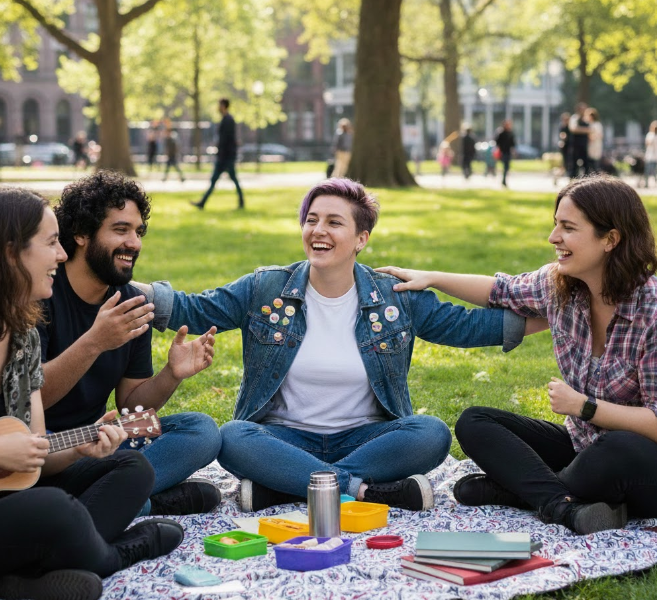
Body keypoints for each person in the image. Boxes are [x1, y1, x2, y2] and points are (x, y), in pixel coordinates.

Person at [139, 178, 531, 514]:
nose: (318, 231)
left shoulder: (394, 296)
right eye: (311, 220)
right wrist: (119, 283)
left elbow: (468, 326)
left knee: (431, 433)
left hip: (366, 438)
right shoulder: (265, 287)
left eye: (333, 222)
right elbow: (194, 308)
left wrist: (559, 312)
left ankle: (283, 485)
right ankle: (362, 491)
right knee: (234, 438)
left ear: (361, 238)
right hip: (282, 437)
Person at [377, 175, 657, 535]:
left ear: (610, 239)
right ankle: (560, 502)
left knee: (617, 449)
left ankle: (521, 491)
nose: (554, 238)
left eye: (568, 228)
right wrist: (431, 277)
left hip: (639, 464)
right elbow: (500, 290)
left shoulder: (651, 311)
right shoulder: (561, 286)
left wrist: (585, 407)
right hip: (582, 446)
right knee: (475, 421)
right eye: (556, 225)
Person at [0, 188, 183, 600]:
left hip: (21, 494)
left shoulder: (24, 336)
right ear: (12, 252)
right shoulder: (50, 307)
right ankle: (111, 557)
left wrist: (81, 448)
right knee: (53, 510)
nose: (61, 254)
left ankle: (23, 579)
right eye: (51, 242)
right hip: (31, 505)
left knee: (132, 467)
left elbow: (36, 459)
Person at [38, 170, 222, 517]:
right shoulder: (43, 293)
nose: (134, 243)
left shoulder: (132, 303)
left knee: (201, 430)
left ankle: (116, 500)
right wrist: (94, 342)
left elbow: (131, 404)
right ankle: (134, 501)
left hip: (98, 442)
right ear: (80, 233)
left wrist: (172, 373)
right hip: (40, 449)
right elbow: (31, 396)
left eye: (138, 232)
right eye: (120, 230)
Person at [191, 98, 244, 210]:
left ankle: (241, 202)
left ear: (224, 106)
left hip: (226, 157)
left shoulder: (228, 120)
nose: (218, 107)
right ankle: (203, 202)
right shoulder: (226, 119)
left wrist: (221, 154)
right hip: (224, 157)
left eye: (220, 105)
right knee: (216, 180)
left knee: (230, 179)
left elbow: (227, 140)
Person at [568, 102, 590, 178]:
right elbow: (573, 129)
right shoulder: (574, 118)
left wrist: (581, 129)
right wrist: (586, 130)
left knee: (586, 163)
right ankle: (573, 178)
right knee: (574, 163)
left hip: (585, 144)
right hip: (576, 144)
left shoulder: (587, 119)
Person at [495, 120, 516, 187]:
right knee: (505, 166)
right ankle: (503, 180)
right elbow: (497, 142)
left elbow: (513, 143)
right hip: (502, 152)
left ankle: (504, 180)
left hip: (508, 152)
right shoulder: (501, 133)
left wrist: (513, 150)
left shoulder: (511, 133)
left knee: (507, 167)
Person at [585, 108, 603, 173]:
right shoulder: (588, 124)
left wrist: (591, 137)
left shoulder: (597, 124)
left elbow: (600, 135)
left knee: (595, 163)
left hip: (595, 145)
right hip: (590, 146)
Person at [557, 112, 571, 178]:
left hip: (570, 146)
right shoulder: (563, 127)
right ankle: (559, 174)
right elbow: (562, 135)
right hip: (565, 146)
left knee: (567, 162)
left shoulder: (570, 127)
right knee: (565, 162)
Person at [644, 120, 657, 188]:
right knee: (647, 171)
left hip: (656, 156)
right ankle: (646, 184)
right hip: (650, 156)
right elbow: (647, 144)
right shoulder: (650, 135)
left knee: (655, 172)